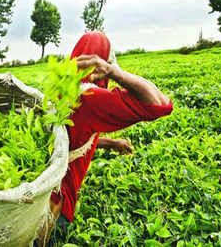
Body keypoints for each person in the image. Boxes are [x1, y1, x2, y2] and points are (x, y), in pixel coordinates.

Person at [36, 31, 173, 246]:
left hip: (36, 200)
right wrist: (114, 72)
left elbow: (73, 137)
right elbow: (160, 104)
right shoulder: (90, 99)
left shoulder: (58, 92)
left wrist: (111, 143)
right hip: (56, 209)